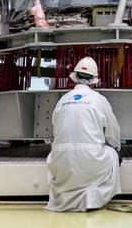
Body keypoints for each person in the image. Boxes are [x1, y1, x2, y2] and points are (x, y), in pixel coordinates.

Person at [45, 57, 121, 212]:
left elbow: (56, 130)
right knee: (114, 153)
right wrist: (115, 148)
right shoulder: (99, 99)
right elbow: (114, 134)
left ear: (74, 78)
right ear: (94, 81)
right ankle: (93, 198)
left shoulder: (62, 100)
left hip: (62, 163)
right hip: (91, 162)